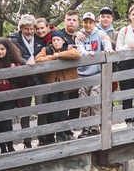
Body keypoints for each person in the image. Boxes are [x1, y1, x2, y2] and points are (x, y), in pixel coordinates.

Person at [34, 29, 81, 145]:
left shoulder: (69, 48)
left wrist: (59, 54)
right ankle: (51, 135)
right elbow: (38, 59)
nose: (56, 42)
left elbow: (76, 54)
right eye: (54, 40)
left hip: (65, 86)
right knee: (53, 112)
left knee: (63, 111)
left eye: (58, 40)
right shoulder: (47, 49)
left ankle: (61, 134)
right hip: (52, 86)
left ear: (63, 41)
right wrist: (53, 57)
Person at [75, 11, 112, 137]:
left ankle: (95, 127)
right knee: (84, 103)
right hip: (83, 74)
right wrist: (86, 53)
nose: (88, 25)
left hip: (96, 73)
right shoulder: (79, 36)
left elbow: (106, 41)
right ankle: (85, 128)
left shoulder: (100, 33)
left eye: (90, 22)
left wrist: (107, 48)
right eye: (85, 22)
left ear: (94, 23)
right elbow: (80, 49)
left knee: (95, 101)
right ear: (82, 23)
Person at [8, 14, 42, 145]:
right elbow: (14, 56)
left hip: (39, 78)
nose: (29, 31)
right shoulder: (14, 40)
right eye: (26, 29)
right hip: (23, 80)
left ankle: (42, 138)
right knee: (25, 110)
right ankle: (27, 141)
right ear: (21, 28)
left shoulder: (39, 38)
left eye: (31, 28)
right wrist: (26, 62)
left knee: (42, 108)